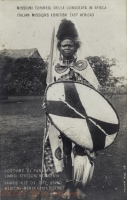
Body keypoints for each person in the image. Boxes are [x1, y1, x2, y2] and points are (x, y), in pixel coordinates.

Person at [43, 19, 99, 199]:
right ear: (59, 47)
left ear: (76, 47)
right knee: (66, 149)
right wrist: (47, 104)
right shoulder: (55, 68)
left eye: (71, 45)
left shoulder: (84, 66)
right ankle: (68, 186)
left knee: (81, 150)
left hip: (82, 116)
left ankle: (81, 186)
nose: (67, 48)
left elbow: (95, 90)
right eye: (64, 45)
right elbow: (50, 89)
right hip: (63, 116)